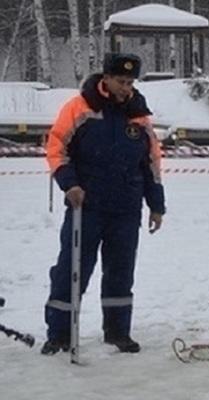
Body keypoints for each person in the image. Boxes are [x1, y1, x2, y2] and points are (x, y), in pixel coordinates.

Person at [41, 53, 166, 355]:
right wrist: (69, 184)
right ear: (106, 78)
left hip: (126, 208)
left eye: (130, 82)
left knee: (121, 271)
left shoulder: (138, 115)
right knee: (72, 270)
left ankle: (117, 332)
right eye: (121, 81)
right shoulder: (79, 108)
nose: (126, 88)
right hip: (87, 207)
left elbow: (151, 163)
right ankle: (59, 334)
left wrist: (157, 205)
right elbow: (56, 149)